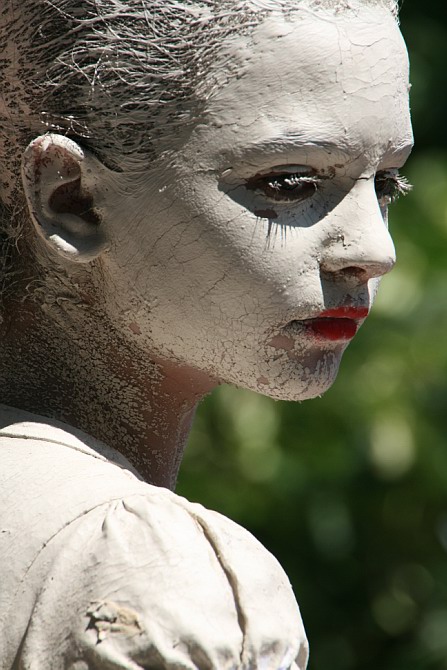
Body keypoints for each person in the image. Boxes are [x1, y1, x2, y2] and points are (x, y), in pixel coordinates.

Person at [0, 0, 412, 667]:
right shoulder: (144, 575)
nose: (373, 248)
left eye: (388, 180)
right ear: (70, 199)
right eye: (289, 182)